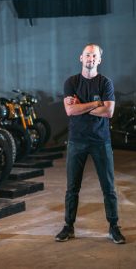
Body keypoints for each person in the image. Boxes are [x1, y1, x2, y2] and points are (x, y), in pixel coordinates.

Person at [55, 43, 126, 244]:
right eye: (88, 55)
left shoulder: (106, 83)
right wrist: (97, 104)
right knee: (72, 188)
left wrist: (82, 106)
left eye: (94, 56)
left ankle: (114, 227)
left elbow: (109, 112)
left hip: (100, 141)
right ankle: (68, 227)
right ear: (81, 58)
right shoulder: (71, 82)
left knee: (109, 188)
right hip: (77, 140)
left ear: (99, 60)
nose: (91, 59)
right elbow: (70, 111)